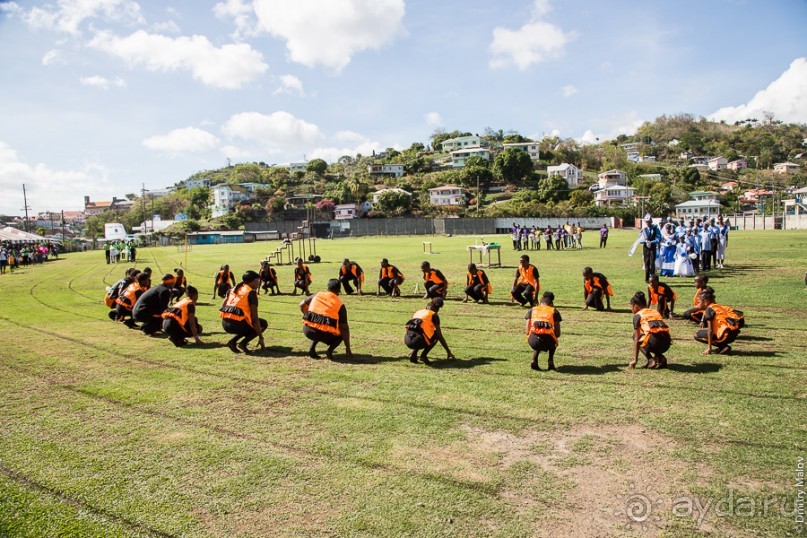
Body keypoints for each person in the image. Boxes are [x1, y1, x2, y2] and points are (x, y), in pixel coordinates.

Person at [301, 278, 352, 359]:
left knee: (318, 325)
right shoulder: (340, 305)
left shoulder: (317, 294)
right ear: (339, 291)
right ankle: (330, 351)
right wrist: (348, 348)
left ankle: (312, 349)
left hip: (307, 330)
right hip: (324, 334)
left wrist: (307, 315)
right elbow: (344, 327)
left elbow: (301, 305)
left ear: (327, 288)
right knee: (341, 333)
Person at [220, 270, 267, 353]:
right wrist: (261, 337)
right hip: (236, 325)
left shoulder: (234, 289)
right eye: (258, 281)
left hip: (225, 323)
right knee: (262, 324)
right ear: (252, 281)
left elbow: (222, 306)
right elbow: (254, 318)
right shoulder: (251, 293)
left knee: (248, 325)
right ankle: (243, 343)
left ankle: (232, 342)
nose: (259, 283)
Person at [404, 297, 455, 364]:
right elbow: (440, 336)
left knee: (421, 333)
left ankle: (413, 355)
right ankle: (423, 355)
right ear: (437, 309)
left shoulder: (418, 312)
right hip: (418, 340)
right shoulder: (433, 315)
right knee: (436, 335)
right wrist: (448, 351)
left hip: (407, 339)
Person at [628, 291, 671, 369]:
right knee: (650, 336)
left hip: (655, 342)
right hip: (667, 342)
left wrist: (635, 360)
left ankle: (651, 360)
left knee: (636, 336)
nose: (631, 309)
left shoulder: (638, 315)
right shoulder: (654, 311)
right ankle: (660, 357)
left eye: (631, 307)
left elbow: (636, 339)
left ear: (635, 306)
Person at [693, 289, 744, 355]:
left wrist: (709, 348)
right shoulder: (717, 306)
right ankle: (723, 346)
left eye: (699, 302)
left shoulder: (709, 309)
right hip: (733, 334)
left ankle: (723, 346)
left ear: (705, 302)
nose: (697, 305)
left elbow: (710, 331)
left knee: (697, 335)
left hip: (725, 335)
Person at [525, 291, 562, 371]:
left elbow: (527, 331)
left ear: (540, 302)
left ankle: (534, 359)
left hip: (533, 341)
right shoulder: (554, 311)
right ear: (552, 303)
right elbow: (558, 334)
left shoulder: (532, 310)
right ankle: (550, 361)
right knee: (553, 338)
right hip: (548, 341)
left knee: (538, 335)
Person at [640, 215, 661, 282]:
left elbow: (659, 238)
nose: (647, 223)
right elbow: (639, 239)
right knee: (646, 262)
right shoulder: (644, 229)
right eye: (646, 222)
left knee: (652, 263)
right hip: (646, 248)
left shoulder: (655, 228)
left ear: (651, 222)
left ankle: (652, 277)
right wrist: (645, 241)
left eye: (648, 221)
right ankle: (646, 278)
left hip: (652, 247)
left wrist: (651, 242)